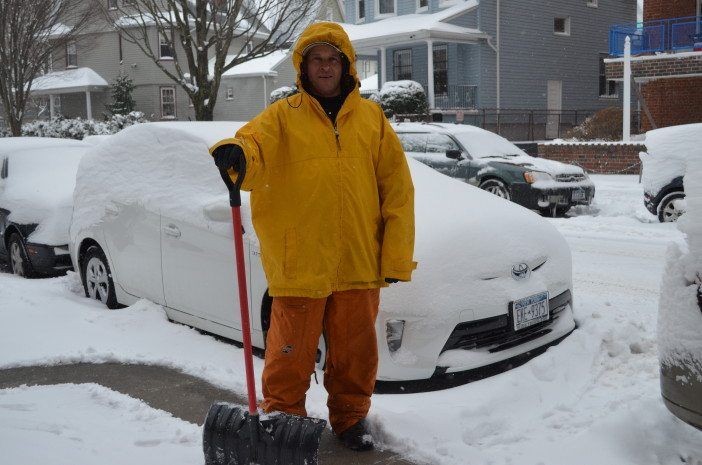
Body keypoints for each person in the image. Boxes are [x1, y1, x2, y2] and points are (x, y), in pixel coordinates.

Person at [209, 22, 416, 451]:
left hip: (358, 260)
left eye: (332, 58)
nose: (325, 66)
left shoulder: (372, 119)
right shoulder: (283, 117)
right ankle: (283, 426)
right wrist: (238, 154)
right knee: (289, 356)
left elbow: (397, 191)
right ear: (303, 67)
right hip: (300, 261)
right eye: (316, 59)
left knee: (356, 356)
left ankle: (350, 419)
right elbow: (253, 145)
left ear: (346, 65)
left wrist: (394, 258)